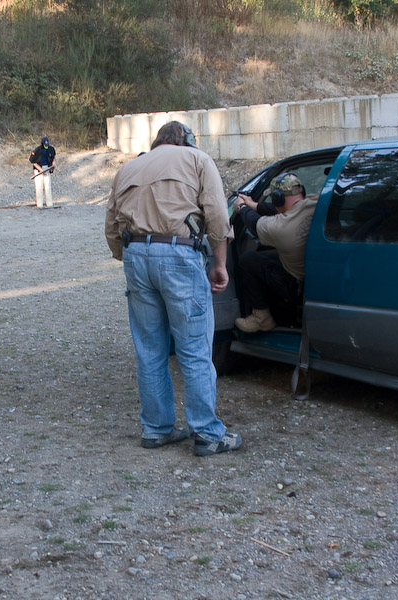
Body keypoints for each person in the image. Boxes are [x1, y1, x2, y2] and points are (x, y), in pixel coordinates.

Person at [105, 121, 242, 457]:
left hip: (136, 256)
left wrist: (129, 257)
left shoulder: (128, 168)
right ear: (187, 140)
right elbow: (217, 217)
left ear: (157, 142)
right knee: (194, 348)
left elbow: (111, 225)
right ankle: (207, 433)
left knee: (150, 349)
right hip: (179, 253)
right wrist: (220, 264)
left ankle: (157, 429)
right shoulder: (197, 160)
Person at [232, 173, 316, 333]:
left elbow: (253, 223)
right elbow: (283, 210)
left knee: (249, 259)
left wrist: (241, 207)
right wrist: (253, 204)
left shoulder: (280, 228)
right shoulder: (315, 202)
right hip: (317, 280)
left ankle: (261, 317)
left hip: (299, 289)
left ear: (277, 199)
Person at [29, 136, 56, 208]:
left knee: (48, 187)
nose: (46, 146)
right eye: (45, 145)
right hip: (38, 170)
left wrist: (53, 164)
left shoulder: (51, 149)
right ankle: (39, 205)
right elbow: (33, 162)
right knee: (39, 187)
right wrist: (41, 170)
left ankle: (49, 204)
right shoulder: (37, 150)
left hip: (47, 168)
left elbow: (53, 157)